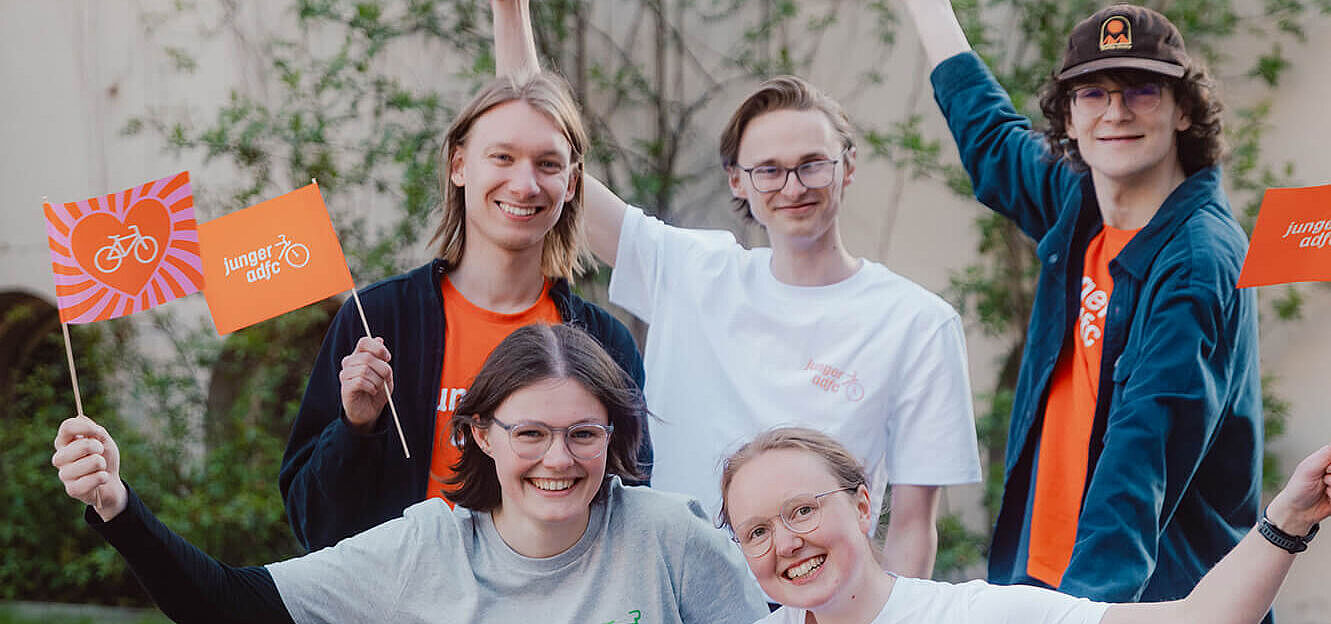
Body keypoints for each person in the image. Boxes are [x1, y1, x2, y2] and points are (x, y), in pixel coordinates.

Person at [490, 0, 980, 578]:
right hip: (670, 589)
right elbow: (544, 144)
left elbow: (914, 525)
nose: (792, 186)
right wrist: (509, 11)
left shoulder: (917, 322)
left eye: (812, 164)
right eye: (768, 169)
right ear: (738, 182)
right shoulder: (692, 270)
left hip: (812, 601)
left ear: (847, 168)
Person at [902, 0, 1265, 606]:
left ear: (1183, 111)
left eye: (1142, 91)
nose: (1116, 113)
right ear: (1068, 118)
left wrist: (1084, 610)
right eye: (1093, 94)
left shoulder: (1196, 262)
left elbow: (1144, 451)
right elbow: (988, 134)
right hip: (1043, 580)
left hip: (1144, 599)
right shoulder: (1082, 205)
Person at [52, 324, 769, 624]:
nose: (559, 459)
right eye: (531, 434)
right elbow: (225, 606)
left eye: (583, 434)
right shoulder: (427, 546)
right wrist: (117, 504)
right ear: (480, 435)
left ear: (614, 438)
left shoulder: (669, 538)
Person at [280, 70, 653, 552]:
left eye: (547, 164)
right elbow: (313, 525)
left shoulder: (604, 344)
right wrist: (355, 428)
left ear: (571, 182)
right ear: (459, 165)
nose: (524, 184)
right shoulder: (378, 322)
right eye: (502, 157)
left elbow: (629, 516)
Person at [719, 426, 1331, 624]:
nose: (787, 542)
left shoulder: (975, 615)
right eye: (757, 531)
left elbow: (1199, 620)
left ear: (861, 505)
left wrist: (1290, 516)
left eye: (802, 510)